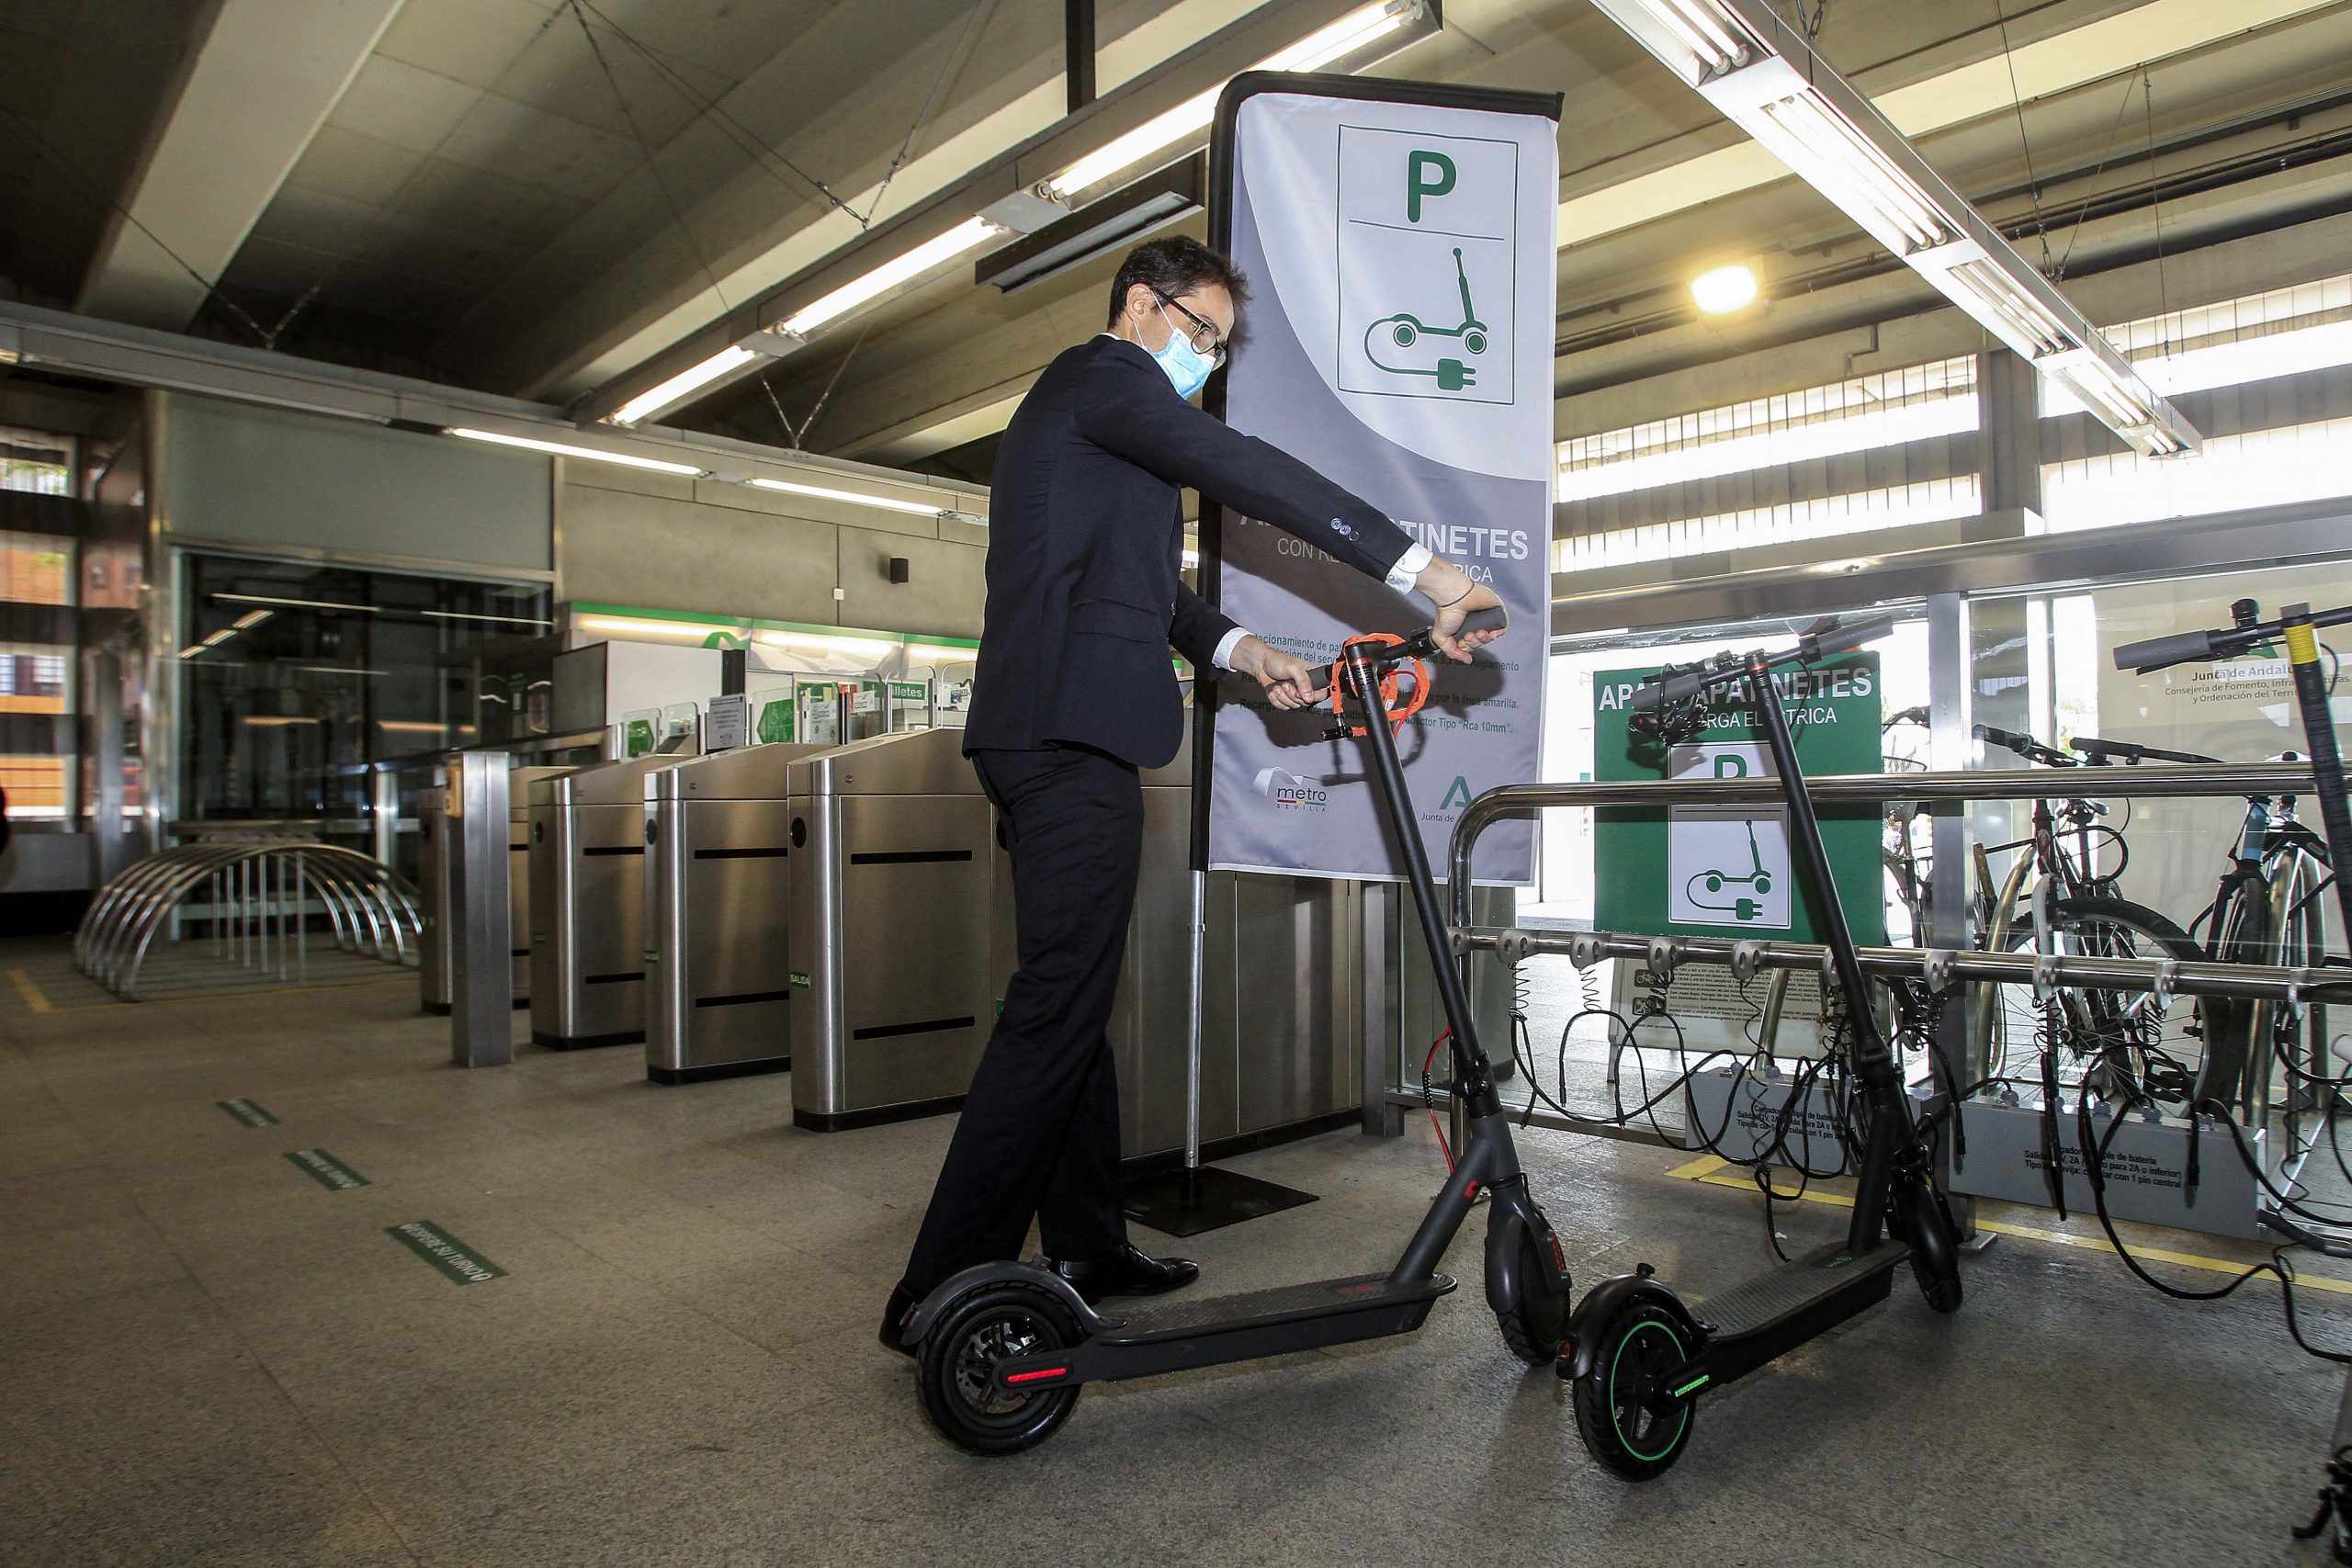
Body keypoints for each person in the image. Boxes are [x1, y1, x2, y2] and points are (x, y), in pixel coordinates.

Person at [880, 235, 1504, 1350]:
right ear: (1140, 306)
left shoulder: (1096, 432)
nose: (1205, 362)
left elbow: (1144, 588)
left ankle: (1085, 1243)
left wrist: (1243, 651)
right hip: (1062, 738)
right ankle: (940, 1288)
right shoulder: (1099, 381)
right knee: (1055, 1007)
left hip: (1057, 731)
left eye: (1220, 348)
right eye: (1200, 335)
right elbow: (1252, 472)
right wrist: (1426, 572)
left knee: (1075, 995)